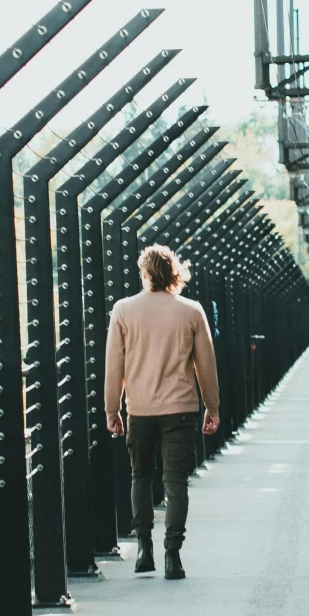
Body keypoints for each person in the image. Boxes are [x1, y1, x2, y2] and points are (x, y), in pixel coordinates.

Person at [104, 241, 220, 580]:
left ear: (144, 274)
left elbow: (115, 366)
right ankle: (173, 554)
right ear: (174, 274)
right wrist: (212, 407)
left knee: (140, 476)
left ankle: (143, 548)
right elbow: (206, 365)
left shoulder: (123, 310)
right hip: (181, 409)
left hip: (139, 410)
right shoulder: (191, 310)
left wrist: (113, 409)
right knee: (175, 481)